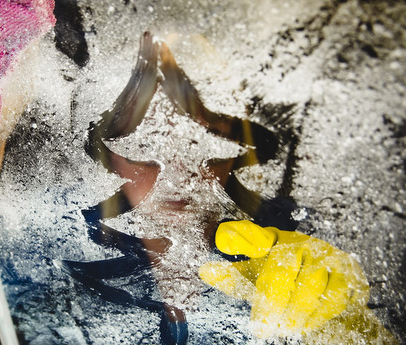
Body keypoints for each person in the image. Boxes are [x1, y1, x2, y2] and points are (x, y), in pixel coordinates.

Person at [65, 32, 398, 344]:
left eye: (205, 148)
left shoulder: (283, 245)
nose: (178, 175)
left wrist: (342, 322)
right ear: (110, 165)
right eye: (144, 150)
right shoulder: (68, 261)